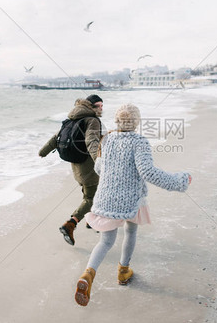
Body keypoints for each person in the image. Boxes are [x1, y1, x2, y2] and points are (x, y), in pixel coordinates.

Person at [74, 103, 191, 306]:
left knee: (105, 242)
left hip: (106, 198)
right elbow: (148, 172)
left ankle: (88, 274)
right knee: (130, 232)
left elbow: (99, 168)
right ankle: (123, 271)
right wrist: (178, 181)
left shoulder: (107, 138)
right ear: (136, 122)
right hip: (131, 200)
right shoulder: (139, 142)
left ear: (117, 121)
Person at [39, 94, 103, 246]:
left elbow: (56, 138)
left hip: (76, 167)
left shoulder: (72, 119)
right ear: (91, 106)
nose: (101, 109)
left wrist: (43, 152)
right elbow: (91, 142)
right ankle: (70, 224)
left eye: (102, 105)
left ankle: (91, 221)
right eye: (98, 106)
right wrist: (100, 162)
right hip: (90, 168)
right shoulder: (92, 120)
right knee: (91, 198)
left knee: (90, 194)